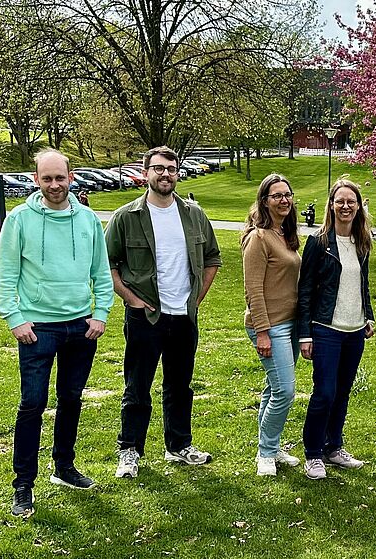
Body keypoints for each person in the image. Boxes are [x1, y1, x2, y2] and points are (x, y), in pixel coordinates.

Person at [0, 149, 114, 515]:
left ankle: (64, 467)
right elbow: (3, 276)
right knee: (32, 403)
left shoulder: (89, 219)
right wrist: (15, 318)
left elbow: (102, 273)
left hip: (81, 326)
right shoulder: (20, 220)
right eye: (47, 179)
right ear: (36, 179)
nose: (55, 185)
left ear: (71, 177)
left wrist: (100, 314)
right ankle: (23, 484)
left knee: (71, 399)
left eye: (60, 178)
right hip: (37, 328)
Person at [105, 146, 221, 478]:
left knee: (180, 385)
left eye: (171, 168)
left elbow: (212, 257)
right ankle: (129, 450)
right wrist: (131, 298)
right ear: (145, 173)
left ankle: (179, 445)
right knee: (137, 386)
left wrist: (195, 299)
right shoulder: (127, 217)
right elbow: (106, 264)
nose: (165, 174)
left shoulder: (194, 214)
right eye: (158, 168)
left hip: (183, 317)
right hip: (145, 316)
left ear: (177, 172)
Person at [298, 178, 375, 480]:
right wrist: (305, 333)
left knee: (342, 392)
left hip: (354, 330)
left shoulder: (363, 240)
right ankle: (313, 453)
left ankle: (334, 447)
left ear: (358, 206)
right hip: (325, 328)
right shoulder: (318, 242)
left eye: (351, 202)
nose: (346, 206)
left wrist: (367, 315)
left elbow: (362, 283)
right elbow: (304, 289)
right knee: (325, 393)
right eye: (340, 201)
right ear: (331, 205)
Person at [241, 173, 303, 477]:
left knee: (273, 388)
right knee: (285, 391)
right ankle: (265, 453)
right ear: (264, 201)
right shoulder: (259, 237)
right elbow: (253, 289)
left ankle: (272, 445)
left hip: (290, 325)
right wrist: (263, 332)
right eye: (276, 195)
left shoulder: (284, 235)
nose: (283, 200)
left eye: (287, 195)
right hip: (269, 326)